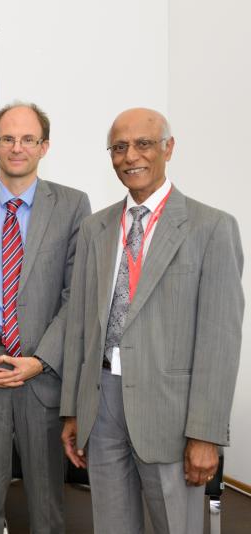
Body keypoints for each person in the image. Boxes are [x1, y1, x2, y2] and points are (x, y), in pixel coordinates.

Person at [60, 108, 244, 533]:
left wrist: (205, 434)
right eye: (119, 147)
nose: (130, 156)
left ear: (168, 148)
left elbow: (219, 341)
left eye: (143, 144)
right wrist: (72, 410)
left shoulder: (211, 227)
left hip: (172, 413)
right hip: (101, 404)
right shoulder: (94, 228)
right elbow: (80, 328)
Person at [0, 102, 90, 533]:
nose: (17, 147)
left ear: (44, 146)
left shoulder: (72, 205)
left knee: (47, 510)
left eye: (28, 139)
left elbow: (76, 295)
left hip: (42, 380)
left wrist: (40, 360)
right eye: (7, 138)